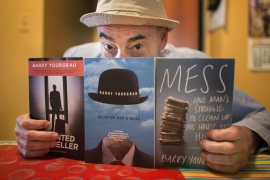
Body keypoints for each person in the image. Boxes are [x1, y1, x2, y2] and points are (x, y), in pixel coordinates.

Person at [15, 0, 270, 174]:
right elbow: (41, 129)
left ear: (162, 38)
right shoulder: (75, 58)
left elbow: (262, 115)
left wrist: (248, 139)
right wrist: (32, 134)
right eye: (109, 44)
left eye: (137, 46)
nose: (120, 60)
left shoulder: (198, 67)